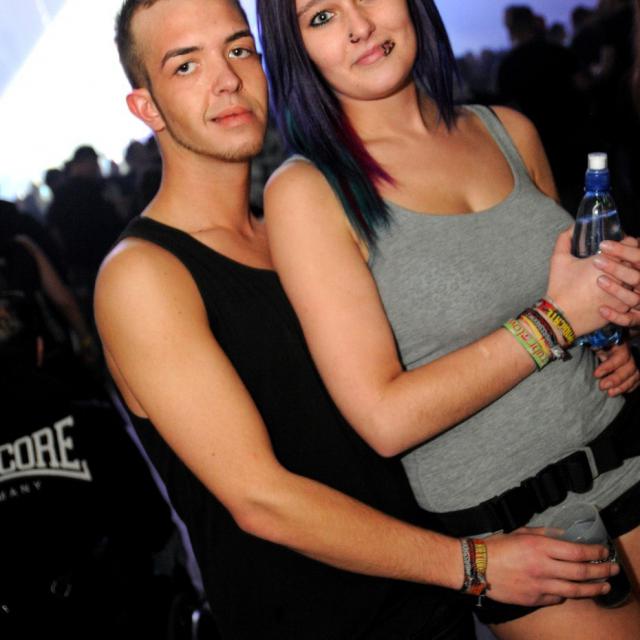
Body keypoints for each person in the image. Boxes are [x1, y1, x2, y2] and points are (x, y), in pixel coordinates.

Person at [94, 1, 629, 638]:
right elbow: (261, 499)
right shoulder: (143, 275)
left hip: (430, 603)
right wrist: (470, 564)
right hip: (319, 624)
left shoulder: (283, 232)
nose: (227, 79)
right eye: (186, 65)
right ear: (147, 107)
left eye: (238, 50)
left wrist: (603, 340)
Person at [256, 0, 640, 638]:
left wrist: (613, 334)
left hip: (627, 446)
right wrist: (556, 323)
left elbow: (571, 300)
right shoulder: (307, 192)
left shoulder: (507, 129)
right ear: (295, 50)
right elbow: (384, 420)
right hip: (529, 538)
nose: (358, 25)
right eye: (321, 16)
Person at [0, 287, 176, 639]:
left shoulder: (90, 418)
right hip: (109, 606)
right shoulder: (90, 419)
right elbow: (153, 522)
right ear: (38, 349)